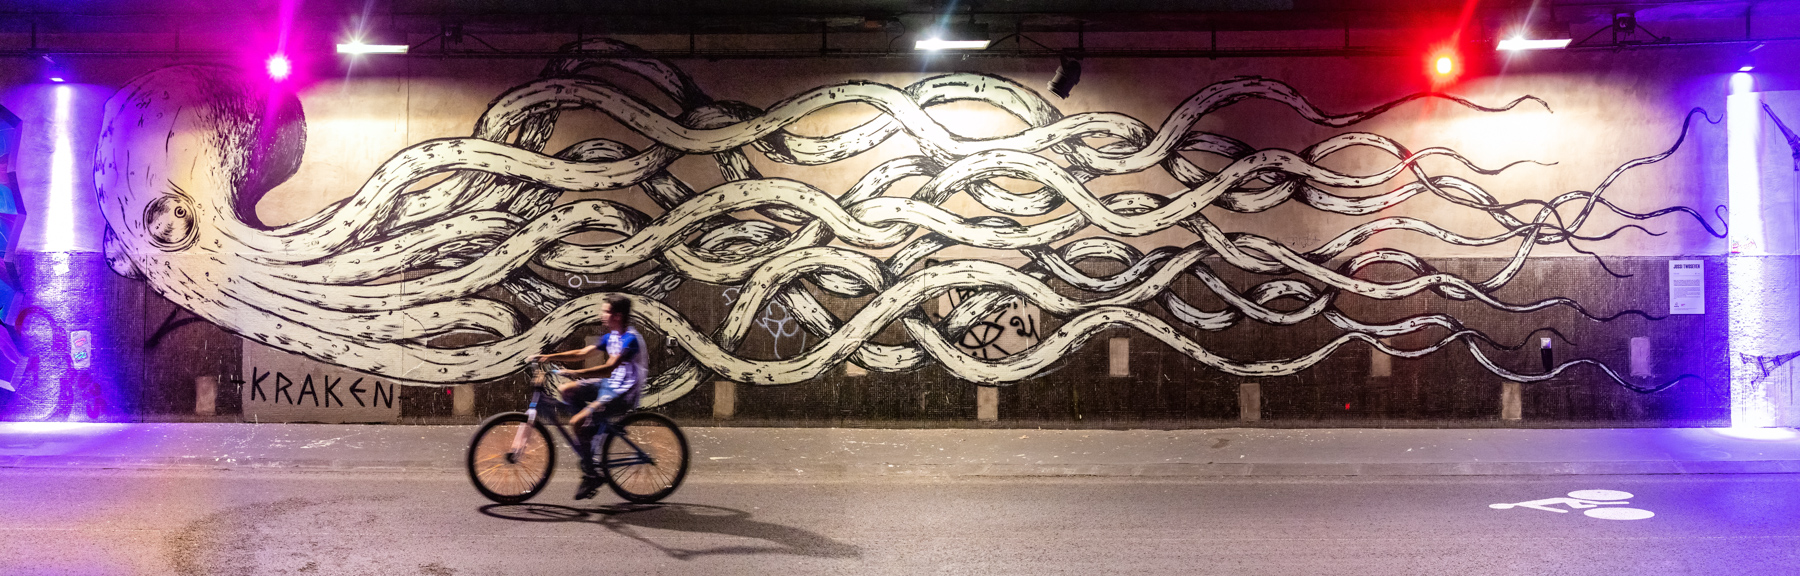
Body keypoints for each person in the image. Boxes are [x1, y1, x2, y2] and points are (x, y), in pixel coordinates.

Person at [528, 294, 649, 500]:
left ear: (618, 316)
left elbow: (609, 369)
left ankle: (591, 474)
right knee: (568, 390)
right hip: (610, 386)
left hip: (623, 394)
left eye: (606, 311)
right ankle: (590, 430)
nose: (602, 315)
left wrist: (577, 373)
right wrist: (549, 356)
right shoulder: (611, 336)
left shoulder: (630, 339)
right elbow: (582, 353)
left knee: (576, 422)